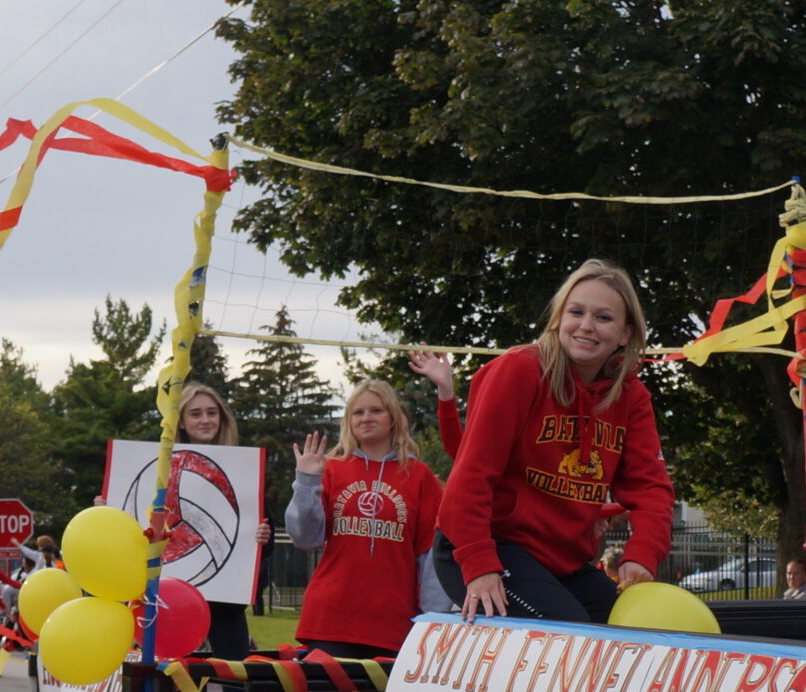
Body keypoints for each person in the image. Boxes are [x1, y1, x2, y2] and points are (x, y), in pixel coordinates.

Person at [434, 259, 677, 623]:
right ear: (559, 319)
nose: (586, 326)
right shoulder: (518, 371)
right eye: (576, 312)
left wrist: (642, 553)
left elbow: (651, 487)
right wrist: (479, 563)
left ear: (626, 334)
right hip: (490, 546)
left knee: (638, 629)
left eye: (603, 318)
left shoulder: (631, 395)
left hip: (561, 562)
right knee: (570, 636)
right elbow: (470, 476)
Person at [286, 379, 447, 658]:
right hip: (331, 617)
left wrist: (432, 619)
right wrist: (306, 481)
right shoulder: (332, 469)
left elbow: (431, 556)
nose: (366, 418)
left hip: (394, 622)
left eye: (376, 411)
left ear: (393, 418)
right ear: (348, 421)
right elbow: (305, 538)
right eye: (358, 413)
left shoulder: (420, 477)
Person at [173, 382, 270, 658]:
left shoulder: (244, 469)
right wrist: (109, 506)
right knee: (172, 689)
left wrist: (264, 535)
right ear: (180, 421)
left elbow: (265, 533)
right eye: (196, 413)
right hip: (174, 602)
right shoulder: (161, 468)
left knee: (234, 688)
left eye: (211, 413)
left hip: (226, 602)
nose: (205, 420)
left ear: (222, 418)